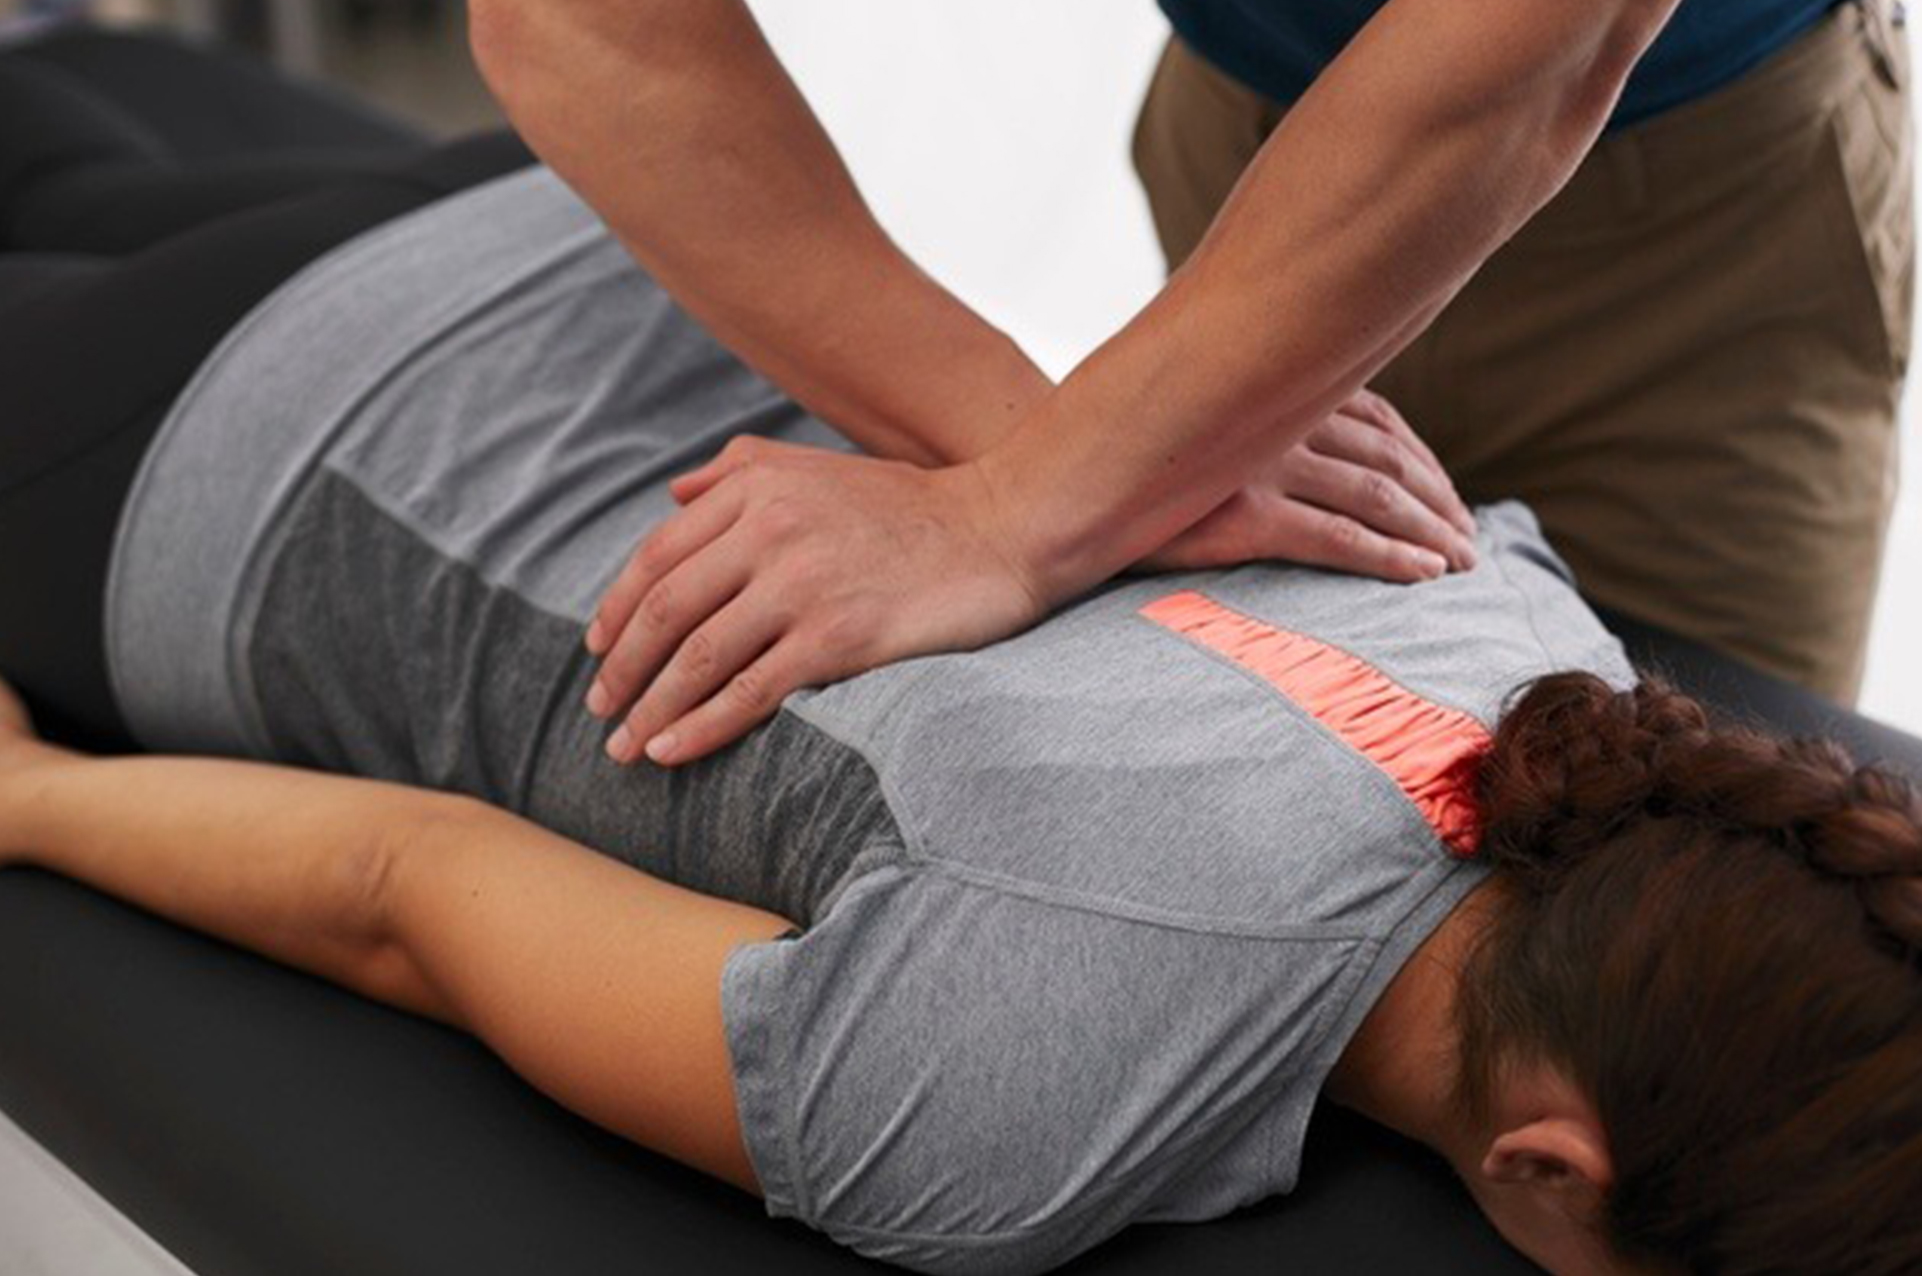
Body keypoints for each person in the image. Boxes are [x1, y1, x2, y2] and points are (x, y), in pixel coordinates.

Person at [3, 29, 1921, 1276]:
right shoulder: (1011, 1110)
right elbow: (403, 894)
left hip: (568, 243)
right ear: (1554, 1170)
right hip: (235, 479)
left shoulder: (1527, 639)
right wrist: (31, 801)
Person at [466, 0, 1913, 776]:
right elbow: (581, 22)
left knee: (1707, 912)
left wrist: (1029, 505)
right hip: (1257, 141)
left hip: (1702, 234)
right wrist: (1036, 460)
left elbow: (1541, 42)